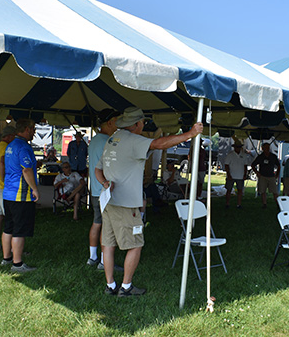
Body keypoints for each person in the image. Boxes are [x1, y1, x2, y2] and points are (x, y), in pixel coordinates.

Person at [95, 106, 203, 297]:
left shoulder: (113, 140)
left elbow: (97, 169)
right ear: (136, 124)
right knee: (136, 244)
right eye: (143, 123)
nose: (143, 125)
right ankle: (126, 287)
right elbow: (160, 144)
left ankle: (110, 285)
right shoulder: (133, 140)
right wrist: (190, 134)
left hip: (109, 202)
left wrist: (105, 183)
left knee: (108, 245)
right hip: (127, 204)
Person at [2, 118, 39, 273]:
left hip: (8, 193)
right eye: (33, 129)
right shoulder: (23, 147)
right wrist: (35, 189)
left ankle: (7, 258)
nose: (34, 133)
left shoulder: (10, 145)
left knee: (8, 227)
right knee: (20, 229)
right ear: (27, 129)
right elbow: (26, 170)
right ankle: (17, 264)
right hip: (21, 195)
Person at [87, 108, 120, 270]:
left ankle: (93, 257)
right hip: (104, 190)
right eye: (116, 121)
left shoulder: (94, 140)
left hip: (94, 189)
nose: (118, 125)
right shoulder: (107, 141)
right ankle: (103, 261)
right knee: (107, 227)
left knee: (96, 222)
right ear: (110, 122)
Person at [251, 142, 280, 209]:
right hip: (262, 176)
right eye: (265, 148)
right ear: (262, 148)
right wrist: (257, 172)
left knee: (275, 192)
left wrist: (277, 174)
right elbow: (253, 165)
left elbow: (278, 165)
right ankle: (264, 204)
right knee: (262, 191)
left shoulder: (273, 156)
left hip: (271, 176)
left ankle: (278, 204)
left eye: (268, 147)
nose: (267, 149)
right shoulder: (260, 157)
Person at [224, 140, 252, 209]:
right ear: (234, 147)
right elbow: (226, 165)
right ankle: (227, 203)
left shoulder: (244, 155)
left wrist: (245, 174)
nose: (238, 148)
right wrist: (228, 174)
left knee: (240, 190)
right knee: (229, 190)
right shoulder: (230, 154)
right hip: (231, 175)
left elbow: (245, 166)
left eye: (239, 147)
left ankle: (239, 204)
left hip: (240, 175)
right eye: (236, 147)